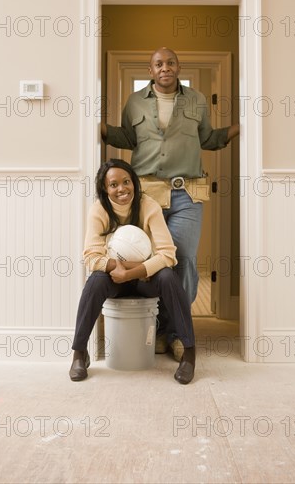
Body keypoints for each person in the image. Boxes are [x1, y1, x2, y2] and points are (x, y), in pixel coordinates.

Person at [101, 47, 240, 358]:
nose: (165, 68)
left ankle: (175, 333)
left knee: (184, 260)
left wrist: (240, 129)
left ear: (179, 67)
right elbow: (127, 137)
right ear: (151, 71)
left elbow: (207, 139)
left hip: (188, 193)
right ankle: (159, 329)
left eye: (170, 62)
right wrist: (101, 130)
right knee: (154, 262)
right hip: (147, 193)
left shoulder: (197, 100)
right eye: (158, 64)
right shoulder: (136, 101)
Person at [70, 158, 196, 385]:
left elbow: (168, 255)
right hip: (113, 279)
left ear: (134, 183)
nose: (122, 189)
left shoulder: (149, 206)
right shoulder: (99, 210)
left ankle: (189, 352)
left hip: (144, 279)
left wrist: (129, 272)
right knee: (96, 280)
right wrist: (115, 267)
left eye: (126, 182)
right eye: (114, 184)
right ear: (105, 189)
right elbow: (90, 257)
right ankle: (79, 353)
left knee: (168, 276)